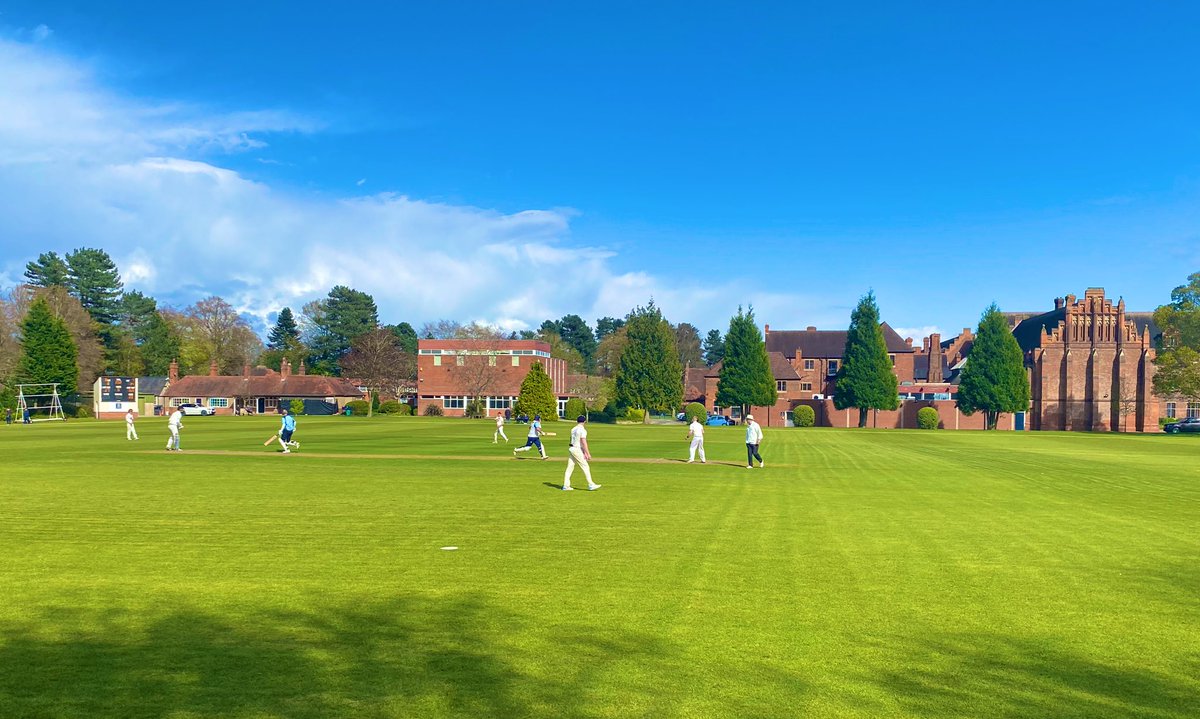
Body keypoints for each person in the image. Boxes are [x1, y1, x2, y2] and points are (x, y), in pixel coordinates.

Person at [562, 415, 600, 491]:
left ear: (577, 421)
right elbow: (583, 442)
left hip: (572, 448)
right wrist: (587, 453)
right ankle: (591, 484)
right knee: (585, 466)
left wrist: (584, 452)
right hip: (576, 449)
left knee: (570, 467)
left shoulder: (573, 429)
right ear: (584, 421)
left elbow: (575, 441)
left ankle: (566, 486)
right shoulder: (582, 430)